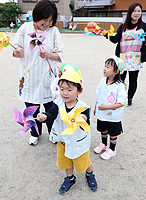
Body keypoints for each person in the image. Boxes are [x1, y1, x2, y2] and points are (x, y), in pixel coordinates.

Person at [37, 66, 98, 195]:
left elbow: (86, 118)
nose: (65, 93)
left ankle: (90, 174)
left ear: (79, 91)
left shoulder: (83, 106)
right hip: (63, 141)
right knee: (66, 162)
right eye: (62, 89)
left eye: (69, 90)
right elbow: (51, 114)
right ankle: (70, 178)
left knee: (83, 160)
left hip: (78, 142)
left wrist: (81, 117)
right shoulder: (57, 103)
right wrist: (44, 116)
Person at [13, 0, 64, 145]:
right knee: (31, 109)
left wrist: (47, 54)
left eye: (50, 21)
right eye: (45, 19)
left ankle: (53, 132)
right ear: (37, 15)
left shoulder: (53, 31)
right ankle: (35, 133)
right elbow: (16, 51)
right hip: (28, 78)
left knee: (50, 108)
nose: (47, 24)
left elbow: (60, 55)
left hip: (47, 78)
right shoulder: (25, 28)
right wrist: (18, 51)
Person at [103, 2, 146, 106]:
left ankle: (129, 99)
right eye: (134, 11)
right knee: (120, 79)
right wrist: (106, 35)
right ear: (130, 13)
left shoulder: (144, 27)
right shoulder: (123, 27)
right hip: (122, 58)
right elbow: (115, 39)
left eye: (139, 11)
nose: (137, 13)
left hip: (136, 58)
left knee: (133, 80)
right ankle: (119, 97)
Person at [93, 56, 127, 160]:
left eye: (108, 67)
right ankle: (103, 144)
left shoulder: (120, 86)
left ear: (116, 71)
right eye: (105, 66)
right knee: (102, 129)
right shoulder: (102, 81)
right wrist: (96, 107)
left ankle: (112, 149)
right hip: (101, 112)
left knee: (112, 133)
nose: (104, 68)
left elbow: (121, 103)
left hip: (113, 115)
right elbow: (99, 95)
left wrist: (107, 107)